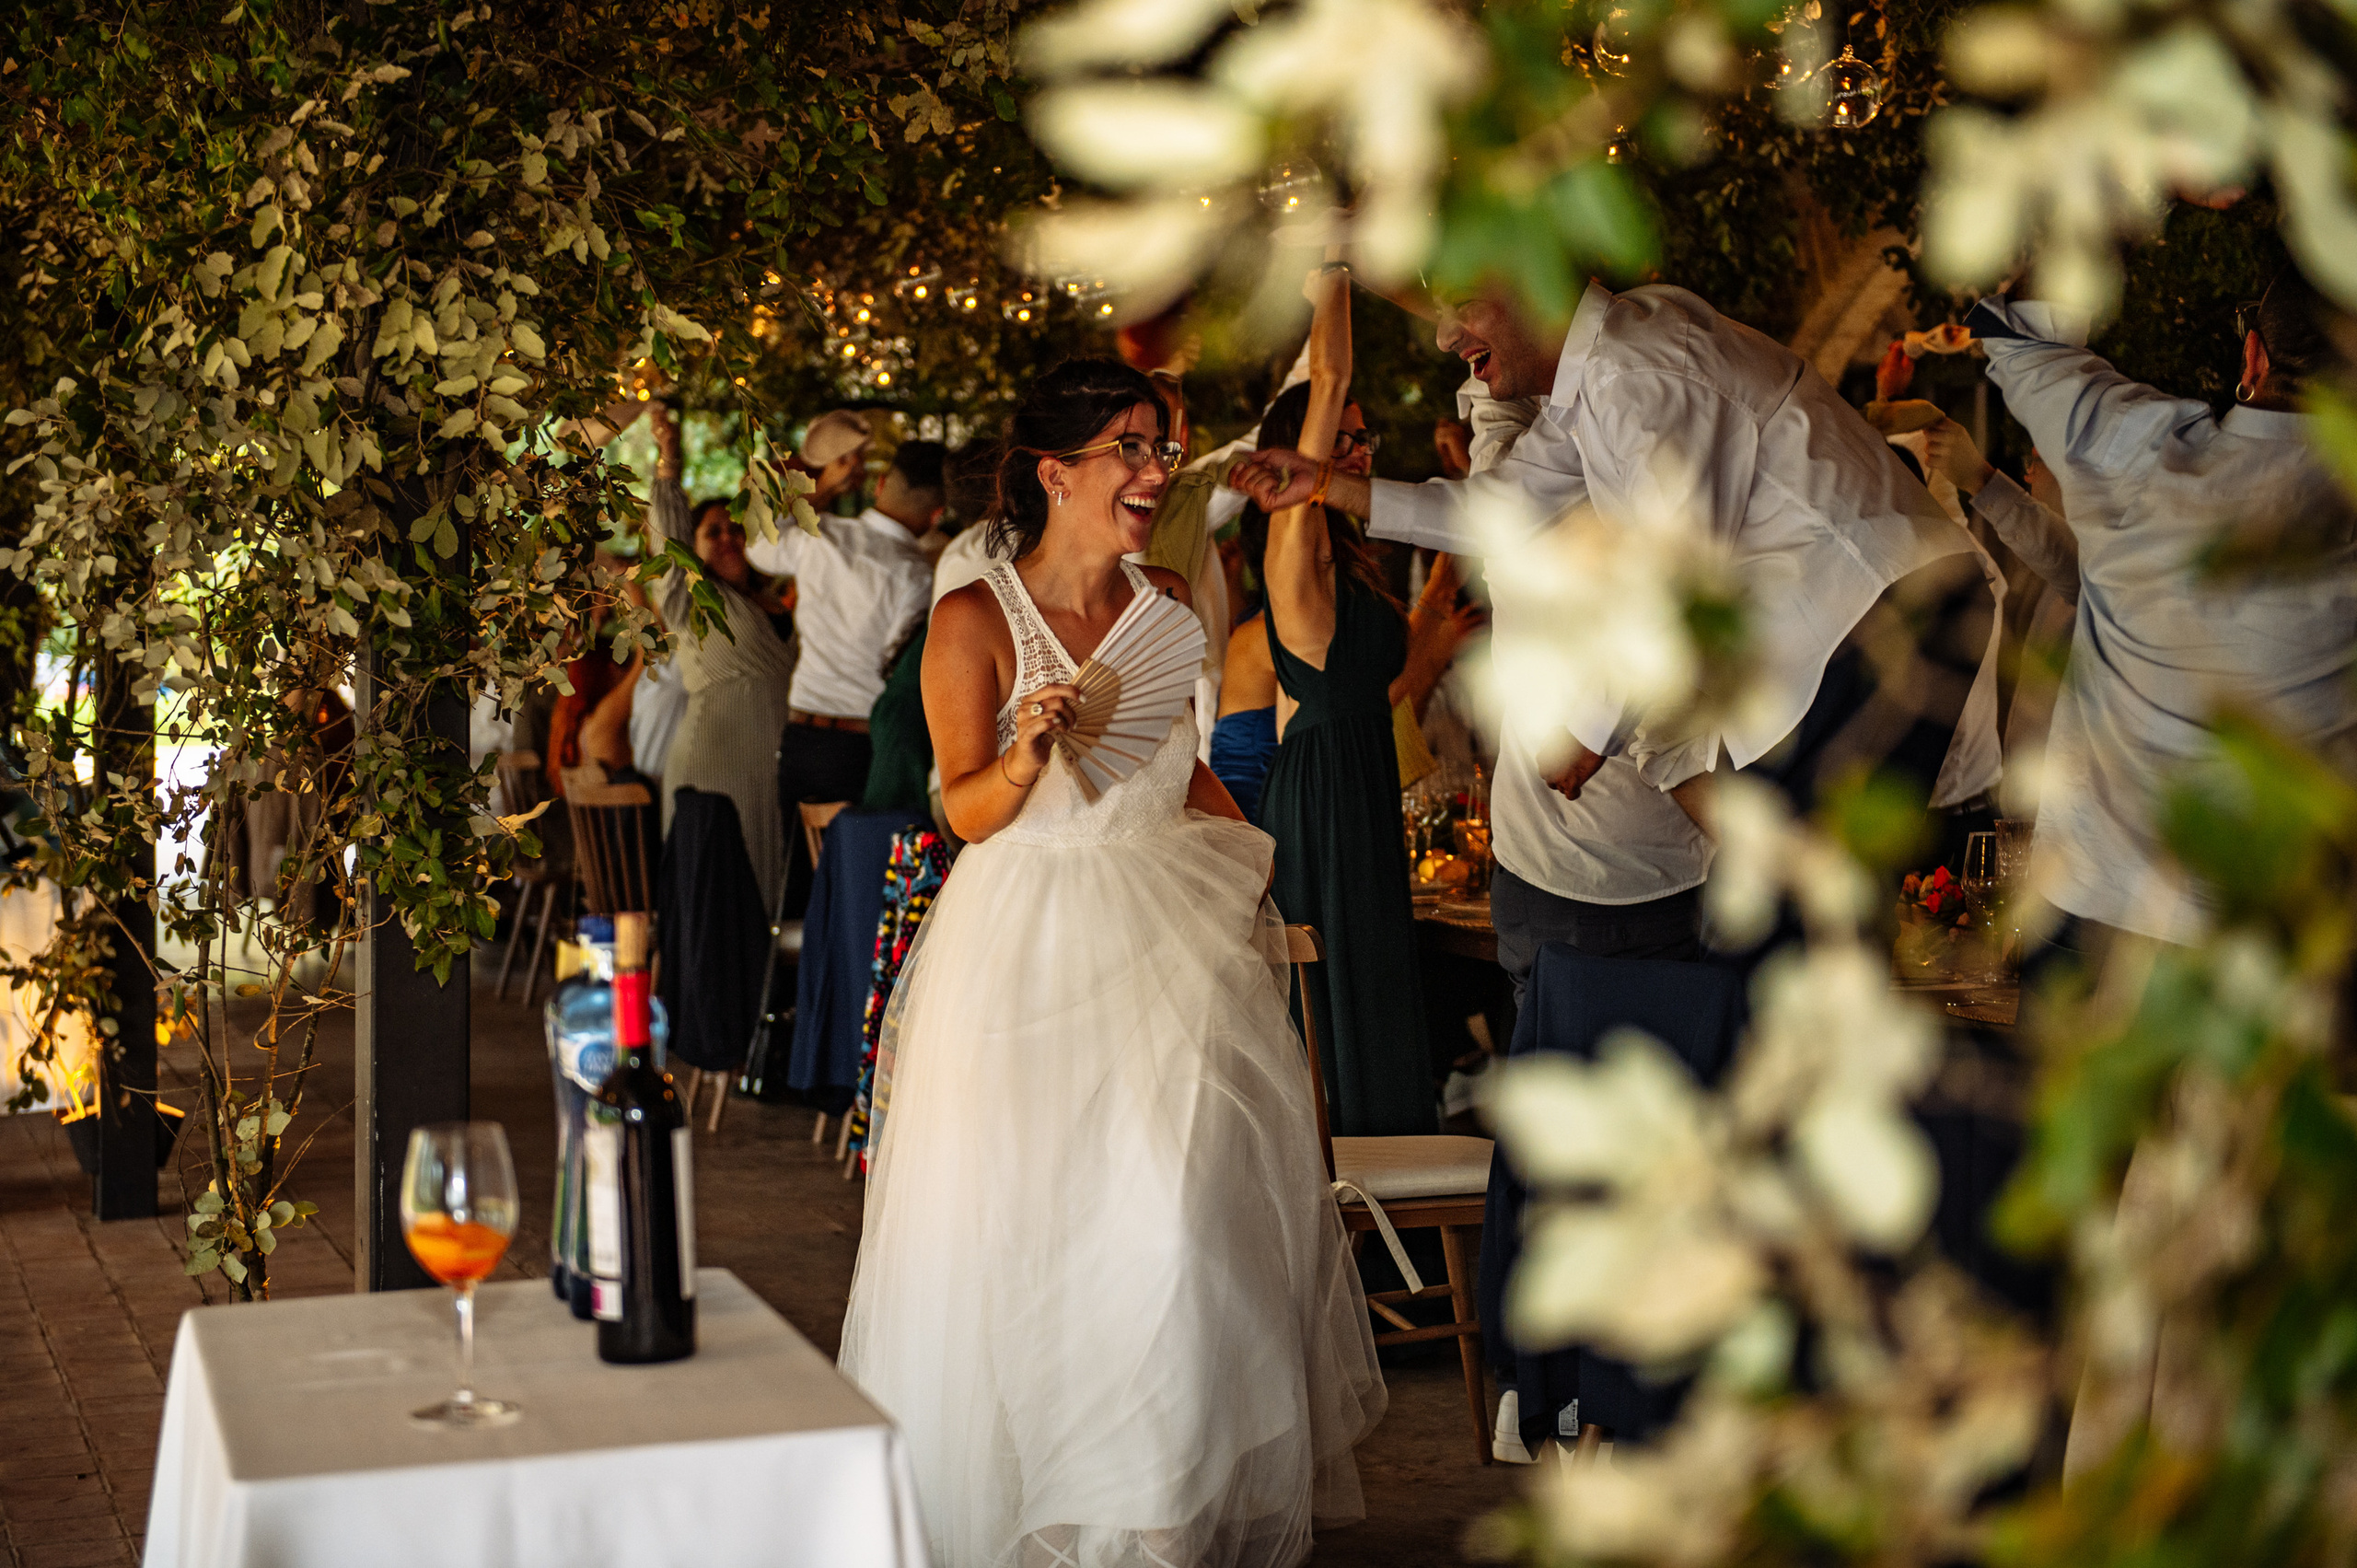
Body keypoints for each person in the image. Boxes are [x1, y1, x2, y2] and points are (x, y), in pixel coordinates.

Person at [839, 358, 1385, 1568]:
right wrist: (1027, 753)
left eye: (1163, 447)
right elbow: (965, 810)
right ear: (1056, 470)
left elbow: (1179, 761)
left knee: (1179, 1223)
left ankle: (1156, 1520)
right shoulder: (973, 616)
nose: (1156, 472)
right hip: (1027, 946)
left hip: (1166, 933)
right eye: (1133, 448)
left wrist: (1252, 859)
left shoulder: (1173, 597)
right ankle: (1045, 1515)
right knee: (1037, 1234)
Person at [1232, 276, 2004, 900]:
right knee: (1801, 908)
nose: (1444, 336)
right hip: (1858, 619)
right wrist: (1331, 484)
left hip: (1884, 608)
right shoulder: (1601, 376)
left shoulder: (1638, 369)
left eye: (1461, 304)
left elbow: (1669, 574)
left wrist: (1589, 730)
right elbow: (1497, 511)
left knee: (1799, 915)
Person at [1961, 273, 2357, 956]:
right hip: (2287, 946)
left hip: (2100, 918)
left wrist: (2154, 184)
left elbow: (2017, 332)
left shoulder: (2140, 460)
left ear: (2253, 360)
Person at [1248, 261, 1435, 1137]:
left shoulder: (1351, 556)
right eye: (1343, 441)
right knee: (1345, 993)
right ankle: (1356, 1204)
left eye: (1364, 442)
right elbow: (1330, 379)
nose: (1358, 454)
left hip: (1356, 778)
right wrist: (1332, 275)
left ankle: (1392, 1203)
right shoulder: (1299, 538)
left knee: (1383, 978)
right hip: (1322, 797)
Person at [630, 402, 802, 907]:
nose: (728, 538)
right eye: (713, 532)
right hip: (715, 760)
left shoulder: (783, 600)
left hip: (774, 762)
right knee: (719, 888)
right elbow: (667, 537)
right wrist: (668, 459)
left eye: (735, 529)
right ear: (695, 548)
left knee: (767, 885)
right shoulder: (691, 600)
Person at [749, 438, 942, 827]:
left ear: (881, 483)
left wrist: (824, 481)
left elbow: (756, 544)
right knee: (848, 877)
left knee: (799, 879)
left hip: (801, 734)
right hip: (859, 745)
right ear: (936, 515)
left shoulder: (821, 535)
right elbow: (897, 665)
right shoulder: (917, 576)